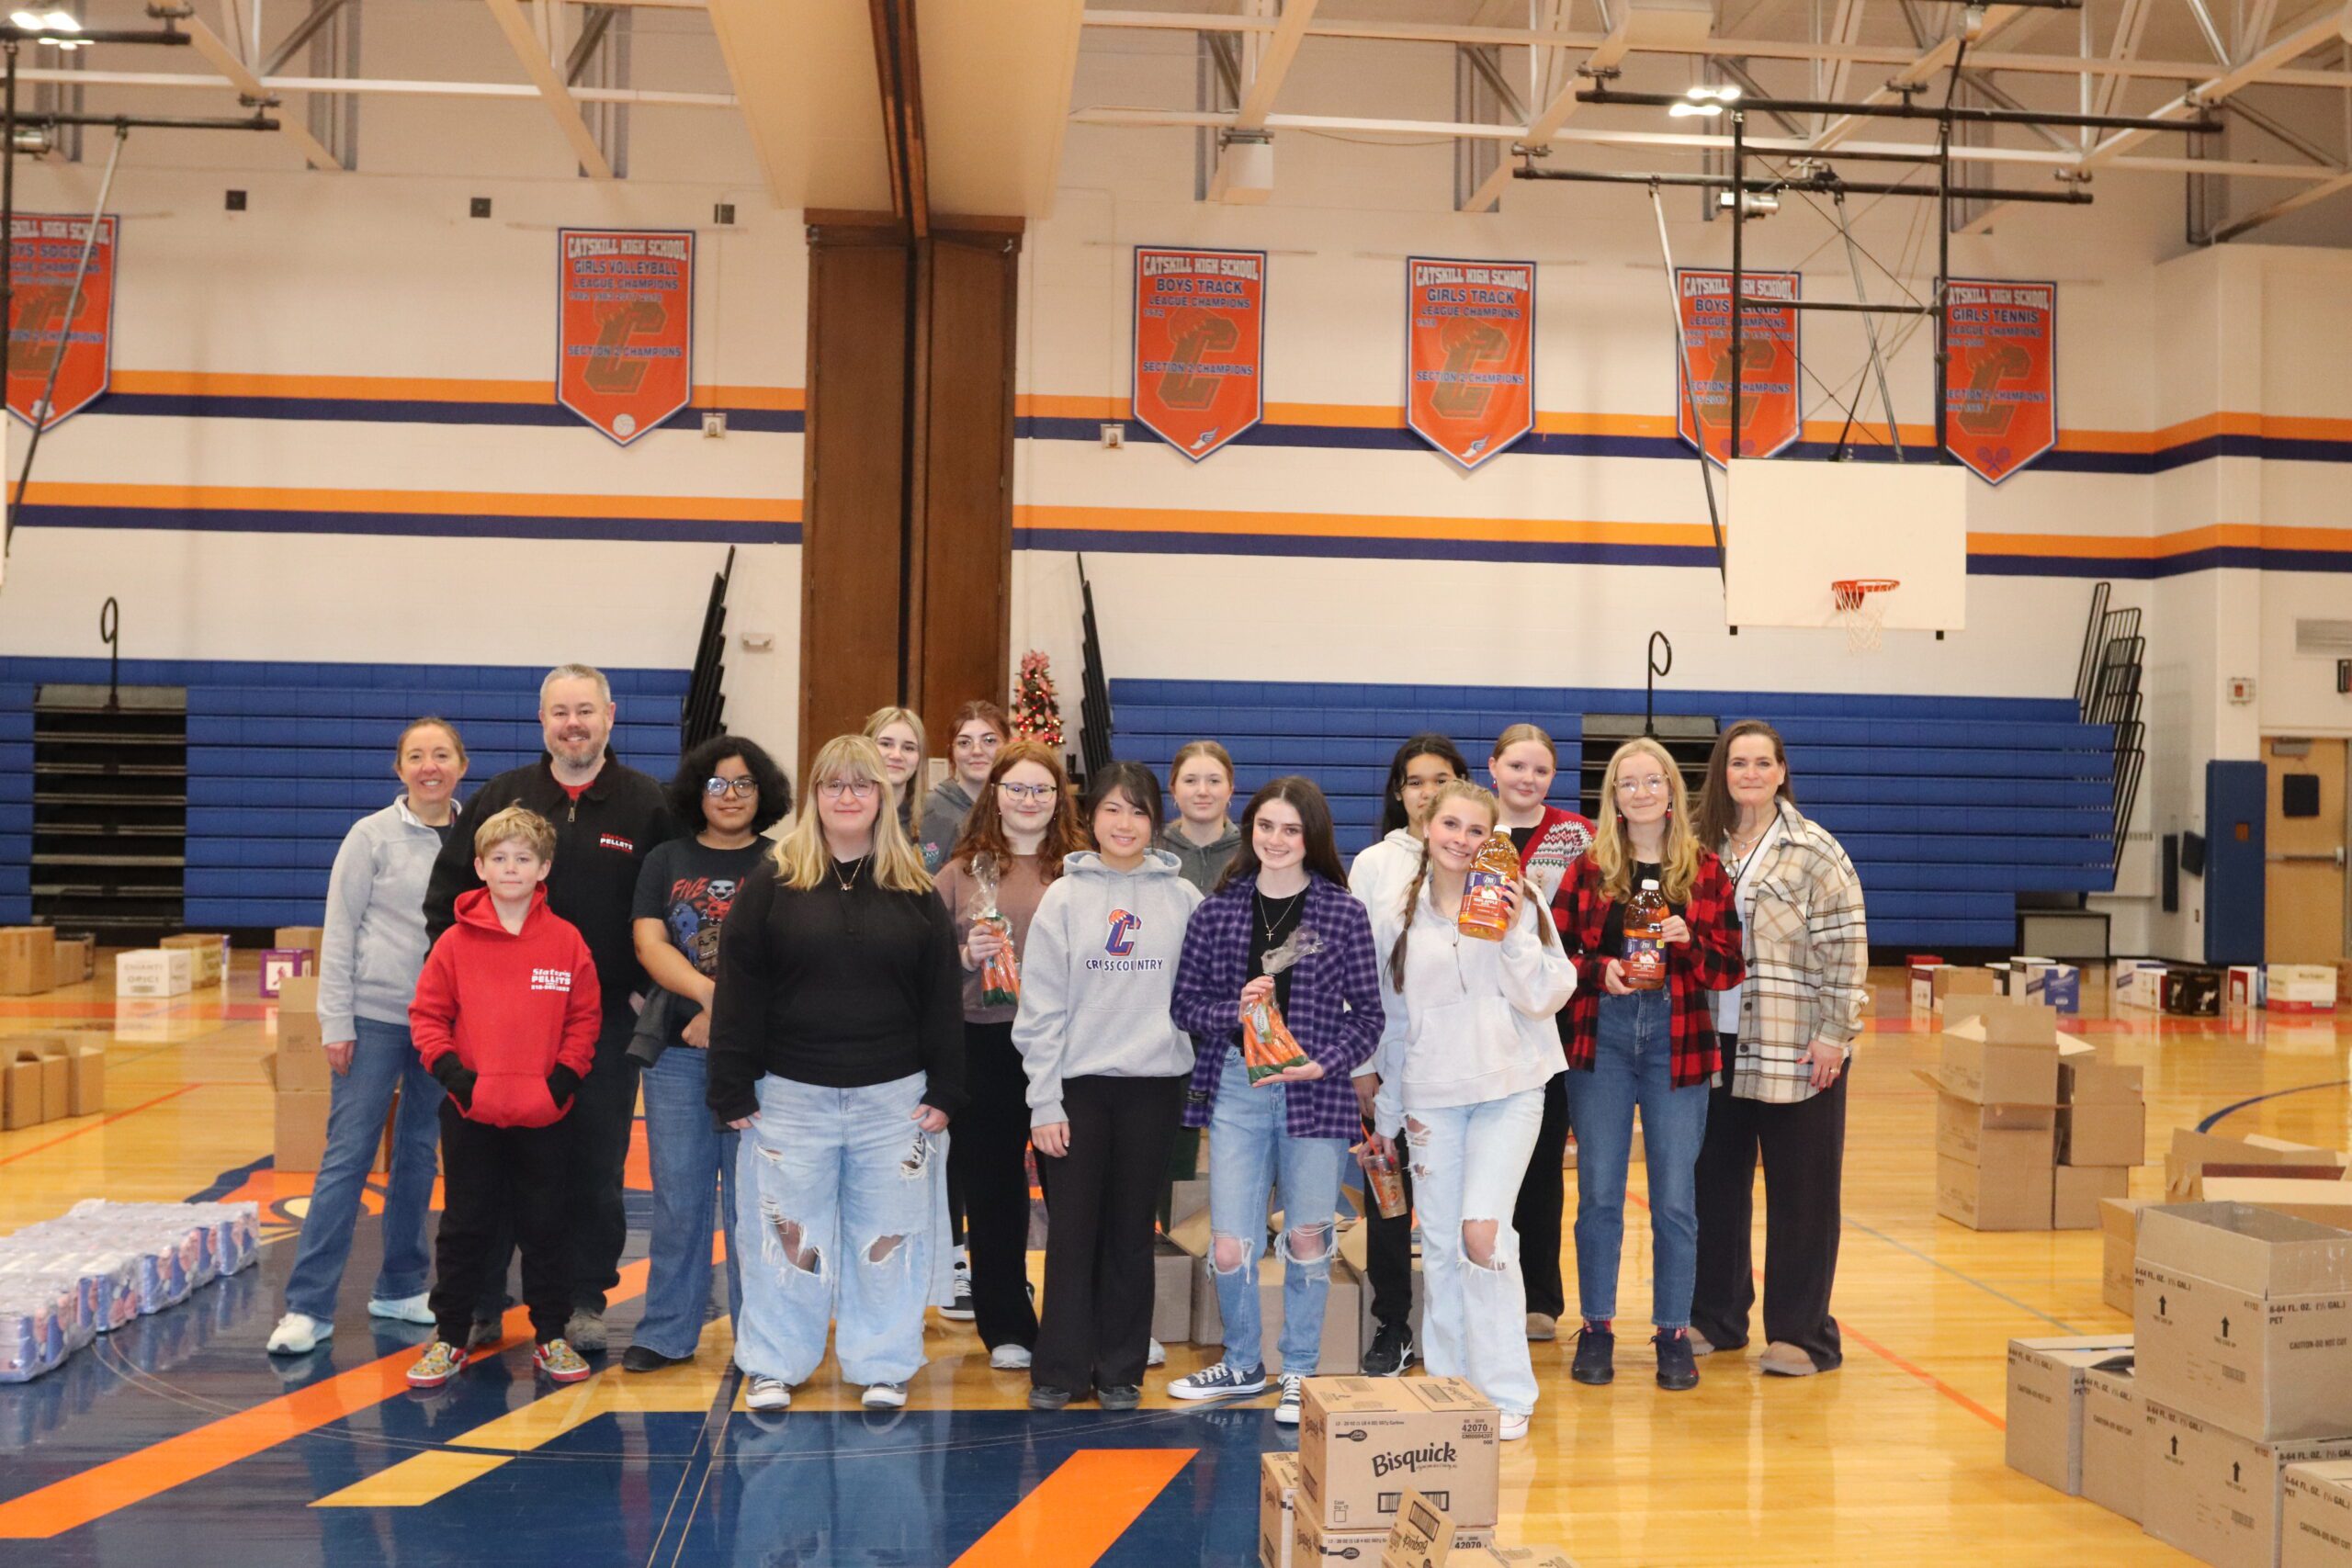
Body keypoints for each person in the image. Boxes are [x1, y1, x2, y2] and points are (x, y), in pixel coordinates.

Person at [707, 735, 965, 1414]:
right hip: (789, 1098)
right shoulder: (773, 882)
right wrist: (730, 1083)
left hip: (896, 1100)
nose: (846, 798)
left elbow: (942, 997)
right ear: (814, 797)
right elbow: (738, 989)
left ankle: (882, 1362)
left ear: (883, 797)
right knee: (782, 1234)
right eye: (832, 785)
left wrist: (946, 1088)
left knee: (889, 1235)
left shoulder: (914, 889)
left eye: (861, 785)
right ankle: (773, 1363)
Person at [424, 663, 673, 1353]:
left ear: (611, 716)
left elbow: (674, 908)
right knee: (490, 1167)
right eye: (561, 711)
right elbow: (445, 902)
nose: (574, 723)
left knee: (594, 1165)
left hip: (601, 1029)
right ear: (542, 721)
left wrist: (646, 986)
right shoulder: (504, 797)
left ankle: (583, 1299)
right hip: (497, 1034)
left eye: (585, 711)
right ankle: (480, 1299)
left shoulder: (645, 803)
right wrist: (463, 993)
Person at [1363, 781, 1576, 1443]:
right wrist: (1387, 1120)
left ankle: (1508, 1389)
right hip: (1431, 1096)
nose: (1461, 838)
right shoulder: (1397, 914)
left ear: (1494, 838)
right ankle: (1450, 1385)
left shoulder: (1523, 899)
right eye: (1449, 824)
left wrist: (1513, 930)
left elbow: (1548, 994)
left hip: (1511, 1087)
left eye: (1476, 830)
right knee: (1445, 1244)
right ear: (1426, 826)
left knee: (1484, 1236)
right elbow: (1392, 1024)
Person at [1169, 777, 1385, 1426]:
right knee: (1231, 1243)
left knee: (1309, 1234)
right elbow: (1184, 1006)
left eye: (1291, 829)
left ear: (1311, 837)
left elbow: (1369, 1017)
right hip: (1239, 1083)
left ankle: (1299, 1369)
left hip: (1314, 1087)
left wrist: (1329, 1062)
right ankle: (1242, 1361)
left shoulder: (1343, 913)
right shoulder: (1217, 911)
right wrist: (1231, 1011)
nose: (1277, 839)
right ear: (1250, 831)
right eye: (1267, 826)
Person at [266, 718, 469, 1356]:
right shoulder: (370, 836)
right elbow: (341, 925)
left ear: (461, 764)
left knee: (418, 1155)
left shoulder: (477, 837)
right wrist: (336, 1021)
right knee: (347, 1157)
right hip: (376, 1019)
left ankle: (403, 1285)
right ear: (399, 768)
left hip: (445, 1025)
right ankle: (308, 1305)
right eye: (416, 755)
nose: (429, 765)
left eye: (441, 754)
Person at [1012, 761, 1201, 1411]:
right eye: (1113, 809)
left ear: (1157, 820)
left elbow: (1202, 994)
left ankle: (1121, 1367)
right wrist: (1044, 1099)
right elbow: (1038, 1009)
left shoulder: (1183, 899)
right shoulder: (1063, 897)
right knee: (1071, 1231)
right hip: (1077, 1090)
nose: (1126, 824)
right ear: (1091, 817)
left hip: (1154, 1089)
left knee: (1130, 1231)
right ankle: (1060, 1369)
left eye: (1140, 811)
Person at [1558, 738, 1744, 1393]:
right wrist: (1597, 969)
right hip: (1601, 1041)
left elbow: (1730, 967)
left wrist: (1690, 941)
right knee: (1600, 1194)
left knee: (1674, 1199)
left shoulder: (1705, 870)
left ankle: (1671, 1331)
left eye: (1652, 780)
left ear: (1672, 791)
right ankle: (1598, 1325)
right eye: (1627, 782)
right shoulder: (1587, 868)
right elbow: (1553, 957)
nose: (1640, 792)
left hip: (1679, 1037)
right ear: (1613, 796)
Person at [1689, 720, 1867, 1377]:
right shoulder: (1701, 845)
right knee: (1714, 1184)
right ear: (1723, 772)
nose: (1752, 773)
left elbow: (1847, 948)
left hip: (1796, 1042)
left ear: (1783, 770)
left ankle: (1802, 1332)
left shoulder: (1816, 850)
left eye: (1764, 762)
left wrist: (1834, 1035)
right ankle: (1715, 1315)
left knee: (1804, 1191)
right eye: (1739, 762)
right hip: (1713, 1040)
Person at [403, 806, 602, 1389]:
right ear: (479, 867)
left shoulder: (566, 942)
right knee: (465, 1226)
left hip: (547, 1114)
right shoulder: (454, 944)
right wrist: (459, 1081)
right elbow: (428, 1017)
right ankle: (449, 1338)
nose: (510, 868)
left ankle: (552, 1336)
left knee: (548, 1226)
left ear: (544, 869)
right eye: (499, 858)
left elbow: (584, 1019)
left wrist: (561, 1081)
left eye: (523, 858)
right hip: (472, 1114)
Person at [620, 735, 793, 1373]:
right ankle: (667, 1330)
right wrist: (708, 1002)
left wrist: (725, 1022)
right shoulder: (666, 858)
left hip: (760, 1060)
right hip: (677, 1053)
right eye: (718, 783)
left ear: (762, 793)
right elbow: (648, 942)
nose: (730, 795)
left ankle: (763, 1335)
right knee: (680, 1197)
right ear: (698, 790)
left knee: (754, 1200)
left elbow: (792, 959)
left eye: (744, 783)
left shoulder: (786, 861)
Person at [932, 740, 1087, 1373]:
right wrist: (965, 956)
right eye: (1017, 788)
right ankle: (1005, 1323)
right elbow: (926, 966)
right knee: (993, 1188)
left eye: (1041, 789)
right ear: (995, 794)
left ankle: (1078, 1319)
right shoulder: (960, 872)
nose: (1029, 800)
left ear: (1058, 799)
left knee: (1072, 1189)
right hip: (984, 1039)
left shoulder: (1082, 869)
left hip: (1067, 1046)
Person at [1346, 732, 1468, 1377]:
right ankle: (1393, 1322)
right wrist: (1362, 1060)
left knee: (1456, 1203)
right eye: (1415, 781)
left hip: (1460, 1066)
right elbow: (1357, 966)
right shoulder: (1374, 863)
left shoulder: (1484, 856)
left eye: (1439, 778)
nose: (1427, 791)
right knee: (1390, 1203)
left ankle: (1459, 1326)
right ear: (1399, 791)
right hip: (1391, 1062)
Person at [1487, 724, 1595, 1343]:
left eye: (1540, 770)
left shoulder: (1577, 837)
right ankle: (1487, 1284)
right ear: (1494, 766)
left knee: (1543, 1163)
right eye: (1517, 766)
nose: (1527, 779)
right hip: (1476, 1023)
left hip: (1549, 1023)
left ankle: (1541, 1299)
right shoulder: (1471, 825)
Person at [921, 700, 1010, 873]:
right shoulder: (928, 809)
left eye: (989, 741)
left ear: (1007, 745)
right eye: (964, 743)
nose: (977, 751)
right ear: (951, 752)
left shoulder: (1018, 805)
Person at [1157, 740, 1241, 893]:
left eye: (1214, 781)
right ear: (1173, 789)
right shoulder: (1153, 853)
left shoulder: (1252, 855)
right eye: (1190, 781)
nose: (1202, 791)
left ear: (1230, 790)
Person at [863, 705, 930, 857]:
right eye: (886, 744)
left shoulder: (941, 827)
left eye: (909, 748)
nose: (897, 755)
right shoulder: (845, 816)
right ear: (865, 748)